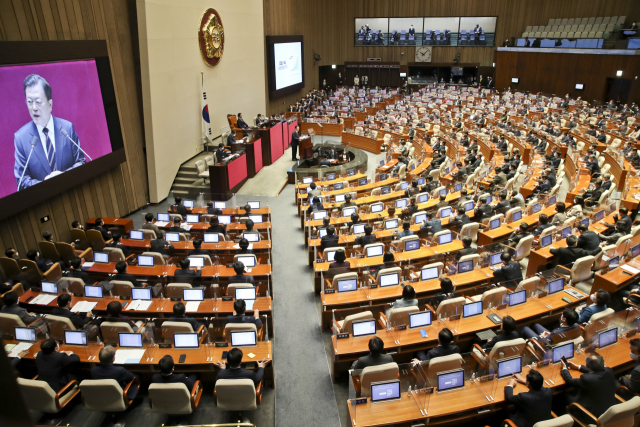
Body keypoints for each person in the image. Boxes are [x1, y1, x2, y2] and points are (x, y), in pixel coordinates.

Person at [14, 74, 86, 190]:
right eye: (29, 102)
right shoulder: (21, 138)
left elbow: (81, 162)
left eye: (38, 102)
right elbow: (22, 181)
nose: (34, 108)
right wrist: (45, 185)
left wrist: (64, 176)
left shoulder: (67, 128)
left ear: (50, 104)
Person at [560, 353, 618, 418]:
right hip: (609, 410)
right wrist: (578, 367)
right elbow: (597, 371)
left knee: (563, 395)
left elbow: (570, 381)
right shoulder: (609, 370)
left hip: (593, 415)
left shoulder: (587, 379)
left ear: (587, 365)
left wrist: (564, 369)